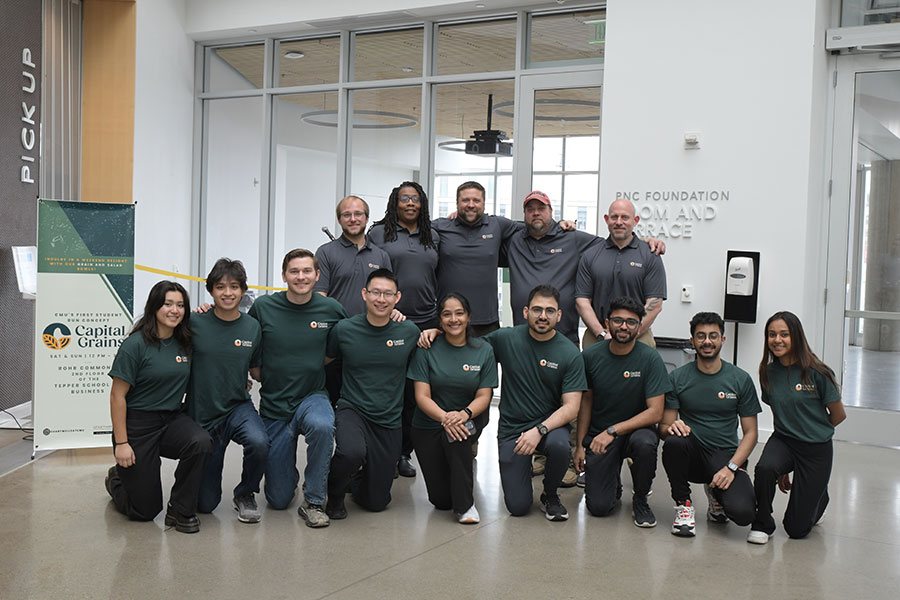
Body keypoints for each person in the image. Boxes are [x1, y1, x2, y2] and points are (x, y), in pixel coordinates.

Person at [423, 284, 586, 520]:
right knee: (518, 507)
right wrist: (437, 333)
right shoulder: (505, 338)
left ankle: (550, 495)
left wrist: (539, 430)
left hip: (549, 427)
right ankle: (523, 471)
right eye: (537, 309)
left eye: (550, 311)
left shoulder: (569, 353)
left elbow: (572, 406)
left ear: (559, 315)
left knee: (560, 447)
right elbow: (466, 344)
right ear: (525, 312)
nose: (543, 316)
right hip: (512, 430)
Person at [248, 249, 348, 528]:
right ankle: (287, 476)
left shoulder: (331, 309)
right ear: (284, 275)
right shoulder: (264, 308)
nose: (301, 277)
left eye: (307, 271)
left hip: (312, 395)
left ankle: (314, 500)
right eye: (294, 271)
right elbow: (248, 345)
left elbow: (339, 347)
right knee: (278, 500)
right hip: (275, 405)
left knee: (323, 425)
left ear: (317, 275)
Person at [104, 280, 212, 533]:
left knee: (201, 442)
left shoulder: (185, 342)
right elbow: (117, 397)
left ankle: (181, 508)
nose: (174, 310)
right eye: (168, 304)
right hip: (138, 425)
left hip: (172, 419)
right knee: (145, 511)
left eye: (180, 305)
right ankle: (116, 480)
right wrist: (122, 443)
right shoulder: (135, 345)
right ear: (154, 307)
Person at [325, 269, 420, 519]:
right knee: (350, 452)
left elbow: (433, 343)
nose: (381, 299)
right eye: (376, 292)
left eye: (388, 294)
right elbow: (325, 360)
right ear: (364, 294)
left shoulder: (408, 332)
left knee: (376, 502)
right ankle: (334, 494)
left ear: (397, 298)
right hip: (352, 408)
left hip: (388, 417)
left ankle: (357, 478)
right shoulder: (344, 329)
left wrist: (433, 332)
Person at [748, 311, 847, 544]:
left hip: (816, 448)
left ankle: (819, 496)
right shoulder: (768, 372)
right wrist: (782, 465)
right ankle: (762, 523)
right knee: (765, 468)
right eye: (772, 335)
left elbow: (839, 415)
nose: (777, 340)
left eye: (784, 334)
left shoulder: (818, 373)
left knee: (796, 530)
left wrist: (813, 430)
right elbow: (778, 413)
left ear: (796, 337)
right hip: (784, 440)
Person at [659, 312, 759, 537]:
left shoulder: (740, 379)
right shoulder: (678, 378)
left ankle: (716, 495)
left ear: (723, 340)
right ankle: (684, 505)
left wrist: (731, 467)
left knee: (744, 515)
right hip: (692, 453)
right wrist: (672, 428)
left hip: (724, 457)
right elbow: (663, 427)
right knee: (674, 441)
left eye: (713, 336)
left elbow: (751, 433)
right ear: (692, 340)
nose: (707, 341)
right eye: (701, 336)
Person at [574, 296, 670, 528]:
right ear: (607, 323)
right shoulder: (590, 357)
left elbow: (656, 412)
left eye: (631, 322)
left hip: (636, 433)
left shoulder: (650, 359)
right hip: (600, 437)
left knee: (646, 444)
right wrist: (579, 446)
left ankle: (640, 500)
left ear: (639, 326)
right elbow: (585, 403)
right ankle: (611, 481)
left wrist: (613, 430)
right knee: (599, 508)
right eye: (618, 320)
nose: (624, 326)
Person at [369, 181, 441, 478]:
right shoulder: (378, 232)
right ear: (395, 202)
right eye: (404, 199)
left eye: (415, 199)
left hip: (425, 321)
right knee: (391, 389)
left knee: (417, 391)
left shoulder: (433, 235)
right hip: (391, 321)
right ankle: (382, 449)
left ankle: (403, 452)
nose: (410, 203)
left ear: (422, 203)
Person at [188, 258, 267, 524]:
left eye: (234, 286)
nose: (228, 293)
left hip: (237, 406)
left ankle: (245, 494)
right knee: (205, 505)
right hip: (203, 412)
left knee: (259, 441)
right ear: (211, 290)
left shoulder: (252, 327)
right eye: (220, 287)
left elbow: (256, 370)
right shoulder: (194, 322)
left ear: (243, 290)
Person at [408, 292, 497, 524]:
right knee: (440, 501)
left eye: (459, 313)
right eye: (447, 314)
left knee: (458, 434)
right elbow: (422, 396)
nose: (453, 319)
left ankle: (466, 507)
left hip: (469, 415)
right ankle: (457, 488)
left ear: (468, 317)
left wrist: (463, 415)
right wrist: (445, 417)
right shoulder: (426, 348)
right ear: (440, 320)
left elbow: (484, 395)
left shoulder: (483, 350)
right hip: (429, 422)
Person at [315, 195, 393, 407]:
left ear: (367, 218)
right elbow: (319, 298)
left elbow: (388, 295)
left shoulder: (381, 256)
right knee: (335, 405)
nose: (353, 218)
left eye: (358, 214)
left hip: (372, 343)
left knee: (367, 406)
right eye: (346, 214)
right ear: (339, 220)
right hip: (336, 345)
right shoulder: (325, 253)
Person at [431, 181, 521, 337]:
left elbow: (533, 228)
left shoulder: (497, 225)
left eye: (476, 200)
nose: (471, 204)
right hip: (448, 320)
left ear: (484, 204)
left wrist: (561, 224)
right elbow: (413, 227)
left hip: (487, 322)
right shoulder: (441, 226)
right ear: (457, 203)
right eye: (465, 200)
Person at [575, 198, 667, 348]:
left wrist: (629, 333)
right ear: (606, 219)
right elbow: (582, 302)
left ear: (635, 220)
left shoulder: (650, 255)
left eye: (625, 217)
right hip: (597, 336)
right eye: (614, 217)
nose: (619, 222)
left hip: (639, 336)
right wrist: (603, 334)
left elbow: (655, 304)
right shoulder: (590, 255)